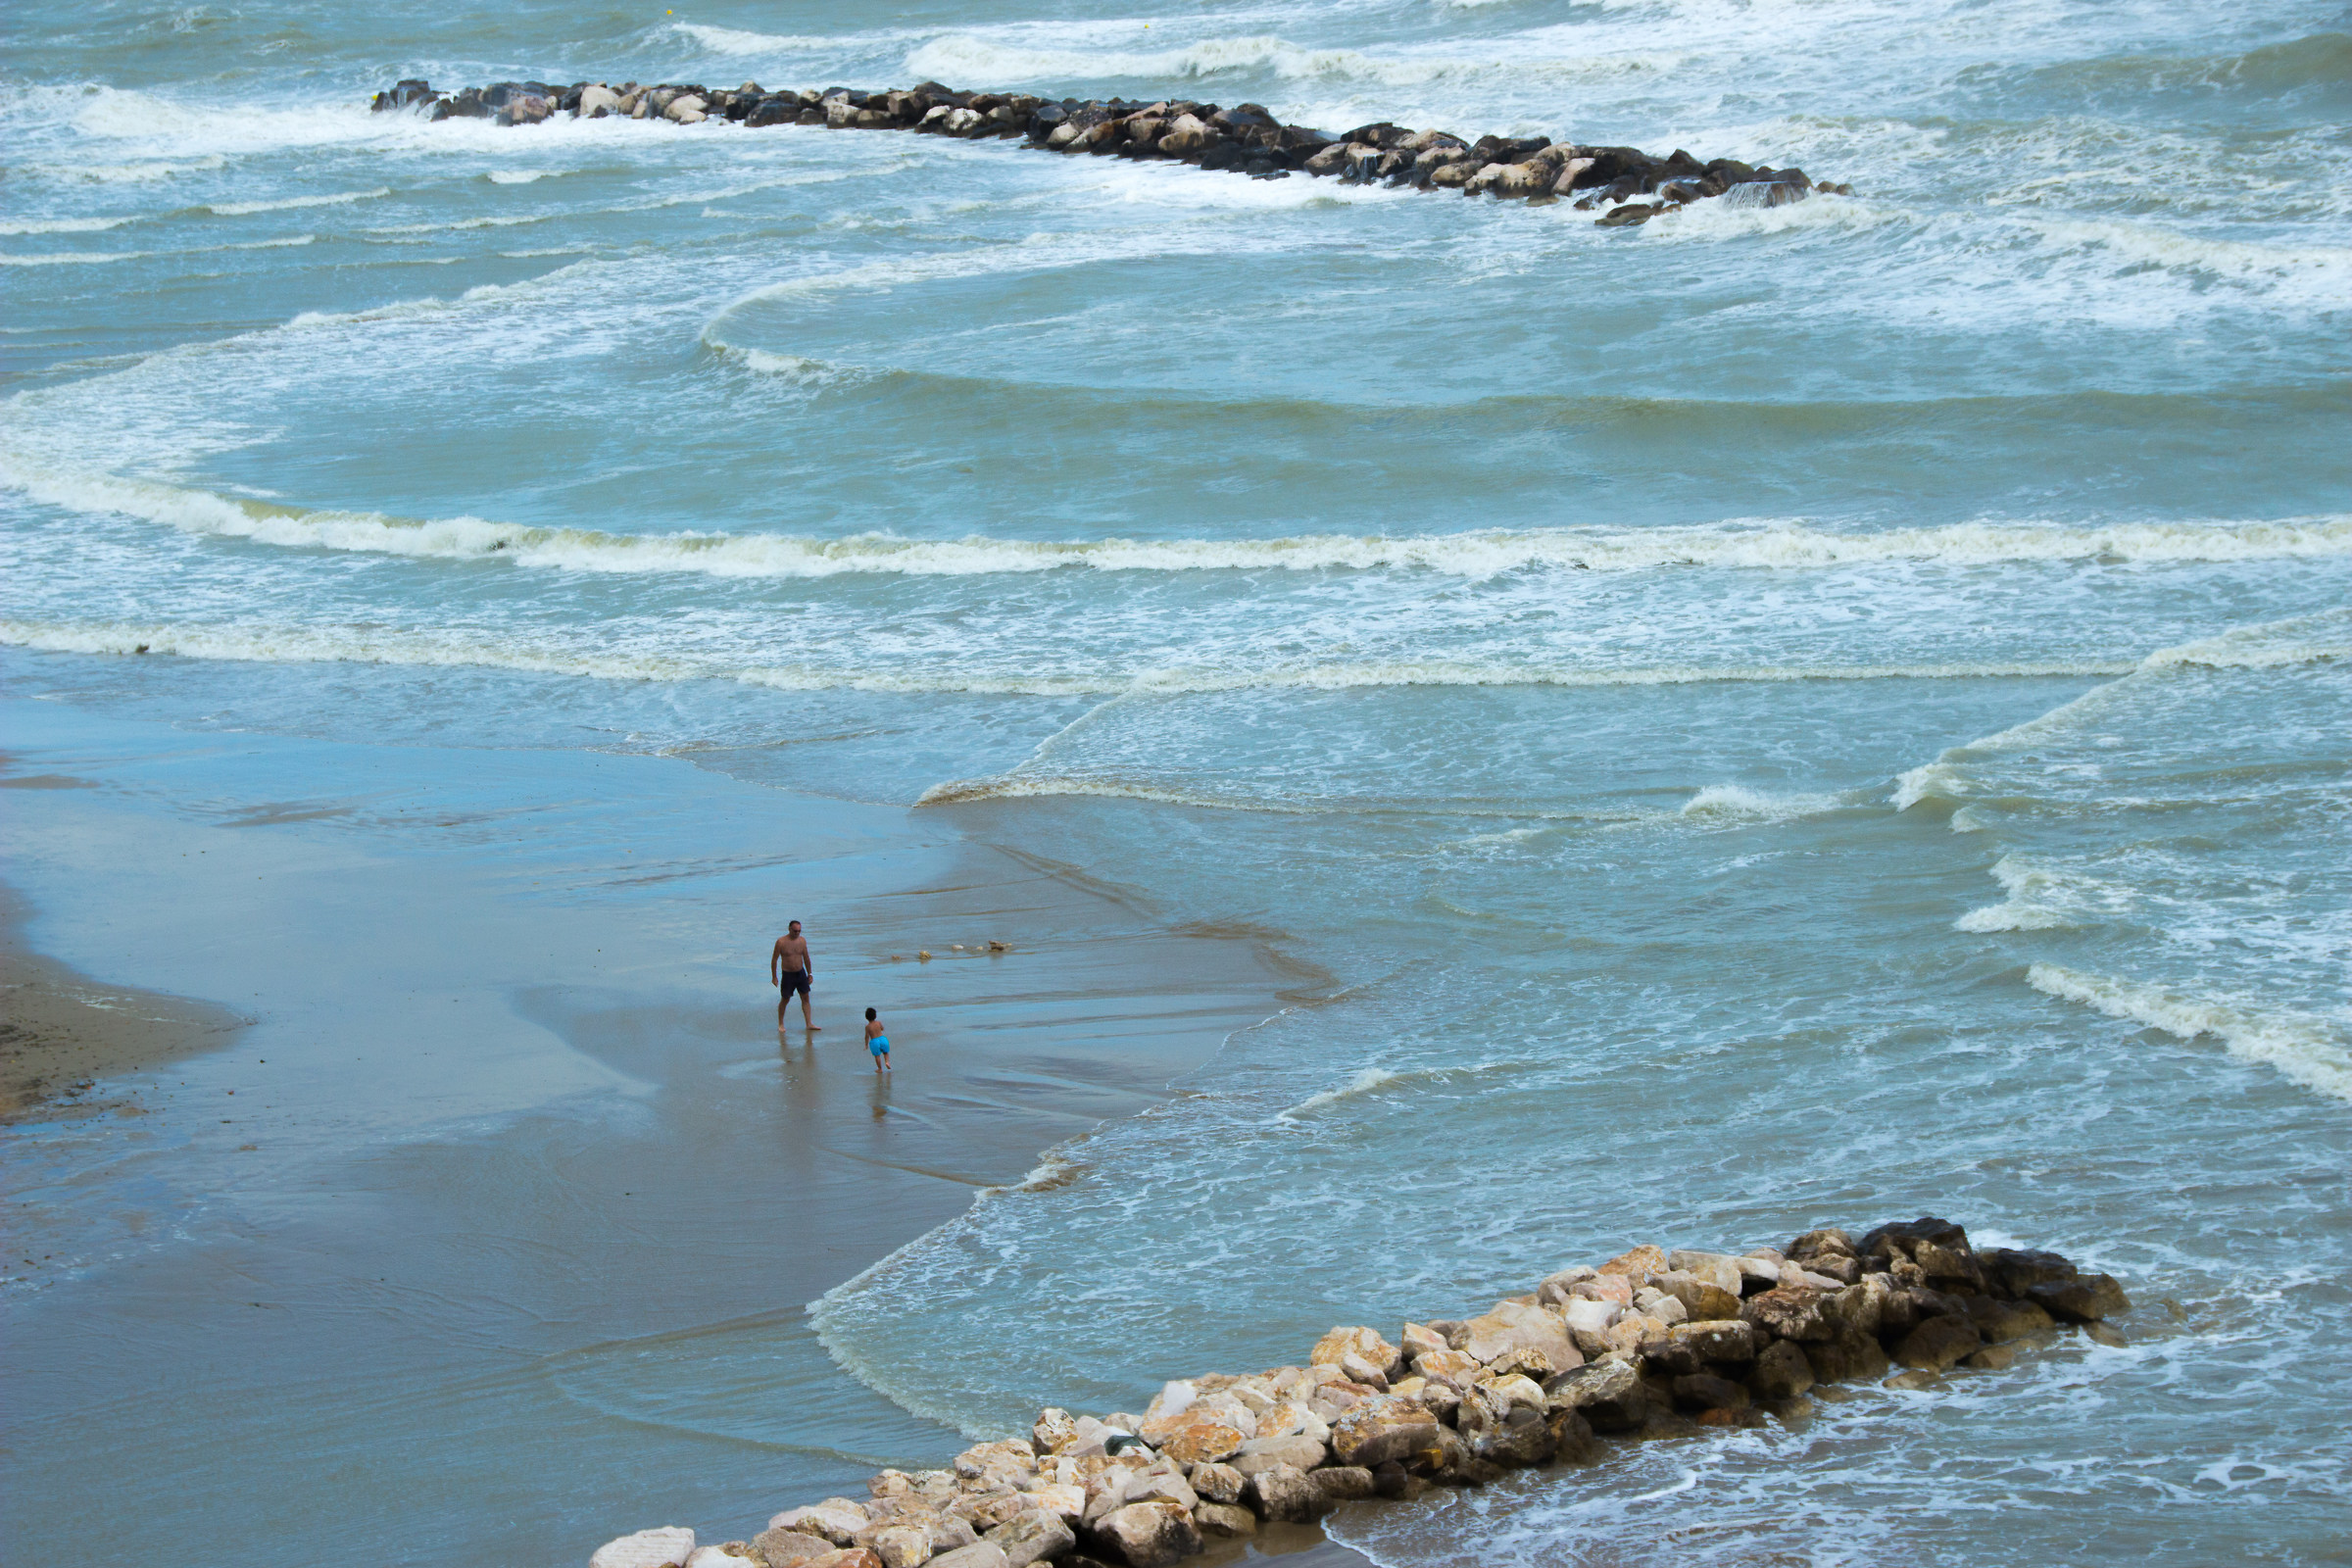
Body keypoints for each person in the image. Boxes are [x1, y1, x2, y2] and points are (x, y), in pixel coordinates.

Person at [771, 920, 817, 1033]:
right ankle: (781, 1024)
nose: (797, 933)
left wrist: (810, 973)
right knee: (785, 999)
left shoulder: (802, 941)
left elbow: (806, 958)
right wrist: (774, 977)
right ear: (789, 929)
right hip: (788, 975)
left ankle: (809, 1023)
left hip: (801, 973)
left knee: (806, 998)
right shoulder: (781, 942)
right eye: (795, 931)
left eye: (799, 931)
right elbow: (774, 960)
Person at [864, 1006, 890, 1073]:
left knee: (877, 1056)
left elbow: (867, 1036)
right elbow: (882, 1028)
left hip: (874, 1041)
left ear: (866, 1017)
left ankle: (880, 1068)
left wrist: (866, 1045)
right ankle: (887, 1062)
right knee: (886, 1053)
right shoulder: (878, 1022)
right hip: (882, 1039)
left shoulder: (867, 1027)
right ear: (875, 1016)